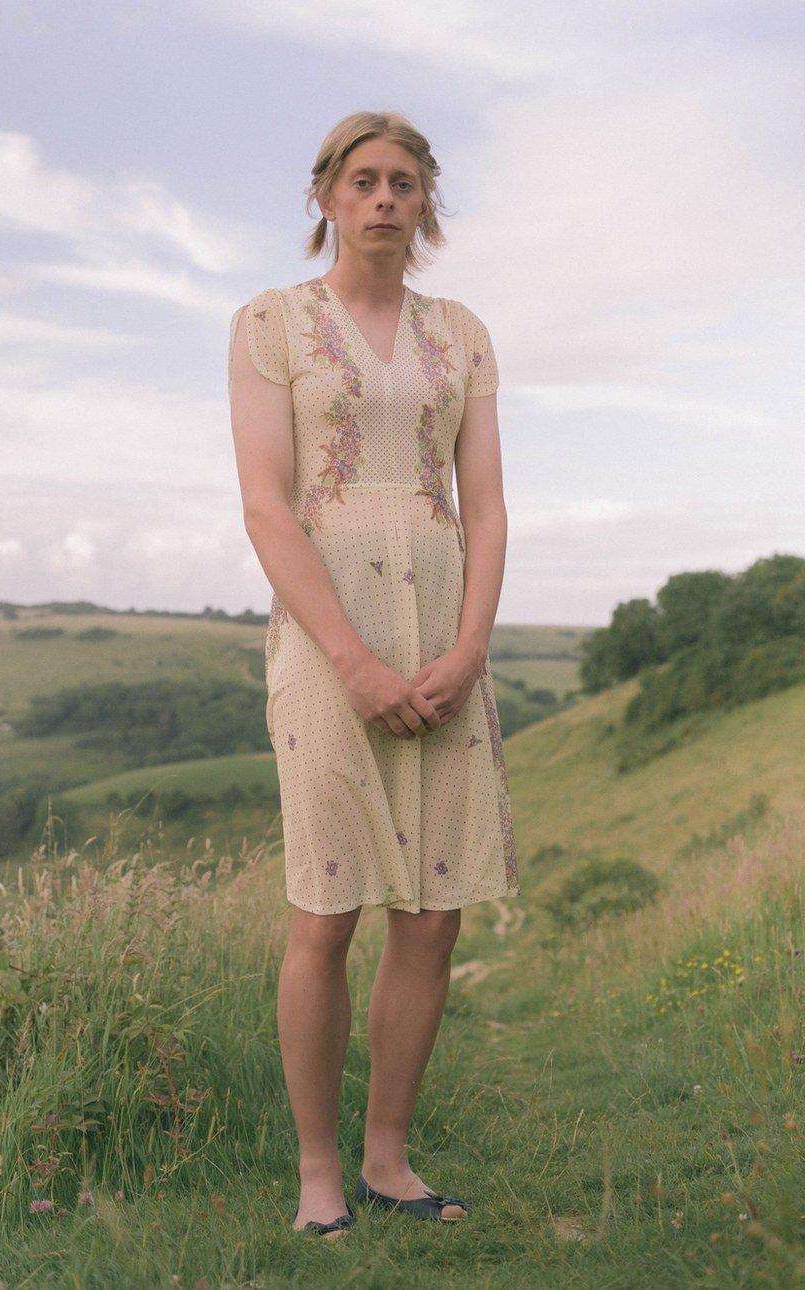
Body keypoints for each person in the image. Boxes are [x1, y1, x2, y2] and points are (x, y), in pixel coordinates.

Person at [227, 110, 519, 1238]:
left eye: (404, 181)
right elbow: (265, 502)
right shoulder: (271, 324)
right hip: (325, 633)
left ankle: (390, 1161)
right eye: (364, 180)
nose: (384, 198)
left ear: (426, 202)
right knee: (326, 910)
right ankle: (315, 1176)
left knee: (434, 914)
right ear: (326, 199)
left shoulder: (462, 332)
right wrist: (348, 659)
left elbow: (487, 503)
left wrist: (471, 645)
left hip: (446, 623)